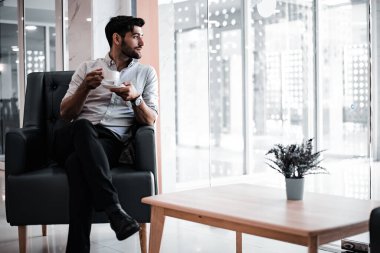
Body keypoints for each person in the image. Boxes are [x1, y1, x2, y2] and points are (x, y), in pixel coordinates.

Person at [52, 16, 158, 253]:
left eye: (142, 36)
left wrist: (136, 99)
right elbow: (65, 113)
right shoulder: (87, 68)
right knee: (82, 127)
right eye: (136, 36)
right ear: (117, 39)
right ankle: (114, 211)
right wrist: (84, 88)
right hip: (73, 136)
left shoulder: (146, 73)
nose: (142, 42)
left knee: (78, 165)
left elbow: (151, 119)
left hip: (110, 143)